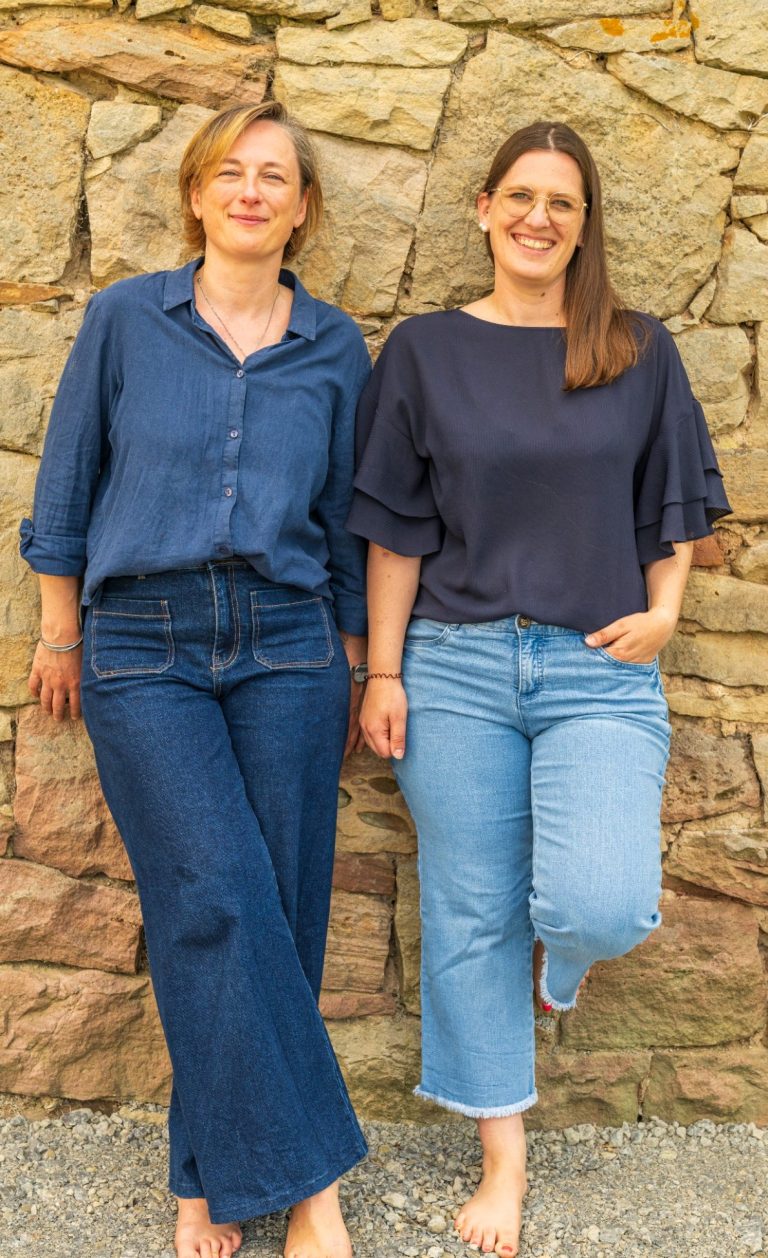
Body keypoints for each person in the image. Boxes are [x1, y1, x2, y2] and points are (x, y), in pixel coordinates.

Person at [348, 121, 731, 1258]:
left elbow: (676, 496)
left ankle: (559, 966)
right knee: (469, 914)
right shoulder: (421, 351)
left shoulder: (635, 347)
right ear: (481, 208)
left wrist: (666, 612)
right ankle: (502, 1158)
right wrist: (382, 668)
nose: (538, 218)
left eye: (562, 203)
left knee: (598, 901)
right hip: (454, 664)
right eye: (520, 196)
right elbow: (395, 530)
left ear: (583, 224)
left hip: (598, 665)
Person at [21, 101, 372, 1258]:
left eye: (276, 176)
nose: (253, 190)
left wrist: (364, 662)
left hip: (288, 642)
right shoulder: (126, 318)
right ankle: (313, 1178)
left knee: (281, 905)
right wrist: (59, 630)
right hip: (141, 645)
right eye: (232, 171)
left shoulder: (334, 347)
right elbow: (68, 480)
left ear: (304, 207)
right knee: (212, 892)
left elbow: (345, 523)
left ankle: (204, 1173)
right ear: (196, 193)